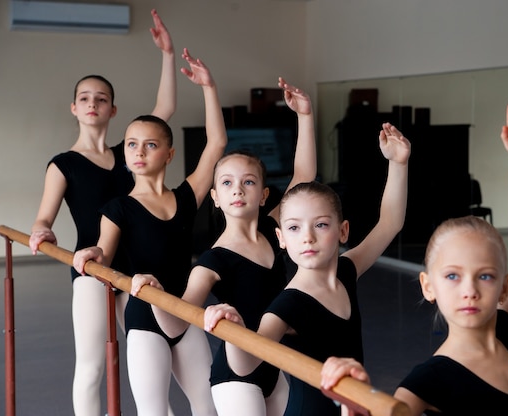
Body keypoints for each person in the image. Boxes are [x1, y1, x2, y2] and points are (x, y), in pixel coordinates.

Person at [320, 99, 508, 416]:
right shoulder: (426, 383)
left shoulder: (506, 330)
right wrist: (357, 403)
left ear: (505, 287)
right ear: (428, 286)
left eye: (485, 276)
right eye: (452, 276)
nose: (469, 290)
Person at [130, 78, 317, 416]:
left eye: (248, 182)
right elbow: (178, 323)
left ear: (262, 195)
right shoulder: (214, 259)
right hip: (236, 373)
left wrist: (304, 115)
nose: (238, 190)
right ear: (215, 197)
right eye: (227, 183)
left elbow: (303, 175)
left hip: (274, 365)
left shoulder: (272, 227)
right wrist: (153, 294)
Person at [203, 122, 411, 416]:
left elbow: (390, 222)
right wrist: (233, 331)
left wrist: (398, 163)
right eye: (294, 228)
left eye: (321, 225)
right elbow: (247, 363)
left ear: (343, 231)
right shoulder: (289, 303)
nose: (308, 237)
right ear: (282, 239)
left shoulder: (346, 271)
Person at [28, 10, 175, 416]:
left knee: (155, 359)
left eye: (102, 99)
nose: (93, 104)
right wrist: (42, 232)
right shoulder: (63, 164)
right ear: (73, 108)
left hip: (136, 271)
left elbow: (163, 110)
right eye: (85, 98)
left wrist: (167, 54)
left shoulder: (130, 156)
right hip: (91, 269)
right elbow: (44, 217)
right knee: (94, 366)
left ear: (113, 110)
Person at [72, 48, 227, 416]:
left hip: (186, 312)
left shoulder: (187, 197)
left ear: (169, 154)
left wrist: (209, 88)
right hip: (145, 320)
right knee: (153, 411)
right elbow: (105, 257)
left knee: (207, 406)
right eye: (131, 145)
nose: (139, 152)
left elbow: (216, 144)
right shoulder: (118, 208)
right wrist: (93, 256)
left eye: (150, 145)